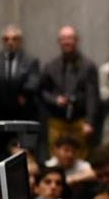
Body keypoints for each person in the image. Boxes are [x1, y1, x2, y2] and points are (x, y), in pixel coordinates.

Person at [40, 26, 99, 158]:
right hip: (57, 120)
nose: (66, 42)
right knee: (56, 157)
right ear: (59, 42)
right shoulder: (50, 65)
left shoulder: (88, 65)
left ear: (76, 40)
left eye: (70, 38)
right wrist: (55, 100)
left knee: (79, 157)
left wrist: (90, 121)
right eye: (63, 39)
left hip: (80, 120)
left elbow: (92, 96)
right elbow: (42, 92)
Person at [0, 24, 40, 122]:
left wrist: (21, 93)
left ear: (20, 41)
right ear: (2, 41)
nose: (10, 42)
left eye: (14, 39)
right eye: (6, 39)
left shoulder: (30, 61)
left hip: (22, 111)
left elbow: (33, 83)